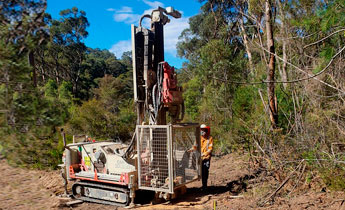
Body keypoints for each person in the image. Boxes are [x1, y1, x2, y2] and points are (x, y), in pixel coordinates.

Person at [200, 124, 213, 190]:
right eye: (201, 130)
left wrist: (204, 154)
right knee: (201, 171)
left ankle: (205, 185)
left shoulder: (209, 138)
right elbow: (195, 146)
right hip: (200, 159)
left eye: (203, 130)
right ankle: (203, 185)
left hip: (206, 158)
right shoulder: (199, 138)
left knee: (205, 171)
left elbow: (210, 149)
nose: (202, 132)